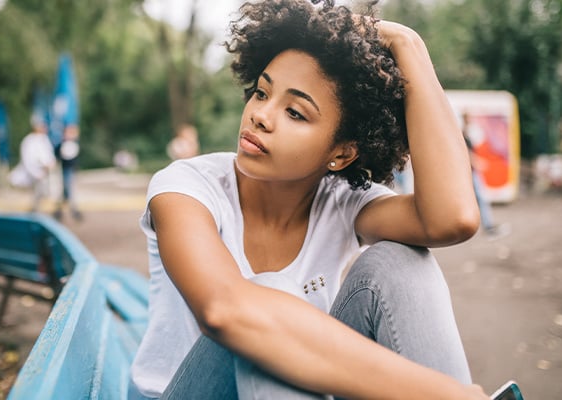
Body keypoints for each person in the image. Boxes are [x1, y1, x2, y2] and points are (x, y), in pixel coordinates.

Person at [129, 1, 491, 399]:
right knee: (269, 298)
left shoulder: (343, 204)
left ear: (341, 154)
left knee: (402, 261)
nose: (261, 116)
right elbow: (224, 311)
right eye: (262, 92)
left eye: (296, 113)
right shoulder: (187, 187)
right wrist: (439, 393)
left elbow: (452, 218)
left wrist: (408, 44)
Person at [461, 112, 510, 240]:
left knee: (479, 198)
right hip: (470, 172)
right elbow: (467, 152)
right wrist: (477, 163)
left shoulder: (466, 133)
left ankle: (487, 225)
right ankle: (488, 226)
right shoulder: (463, 134)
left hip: (470, 171)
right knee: (481, 198)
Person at [11, 115, 56, 212]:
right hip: (34, 174)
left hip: (44, 173)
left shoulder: (44, 139)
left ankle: (36, 212)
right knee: (37, 194)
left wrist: (50, 164)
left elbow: (48, 155)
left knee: (43, 195)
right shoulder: (29, 141)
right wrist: (36, 173)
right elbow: (28, 160)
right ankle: (34, 213)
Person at [54, 124, 83, 221]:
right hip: (66, 170)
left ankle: (60, 210)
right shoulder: (64, 144)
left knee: (67, 191)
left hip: (70, 170)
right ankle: (72, 211)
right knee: (68, 191)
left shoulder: (73, 144)